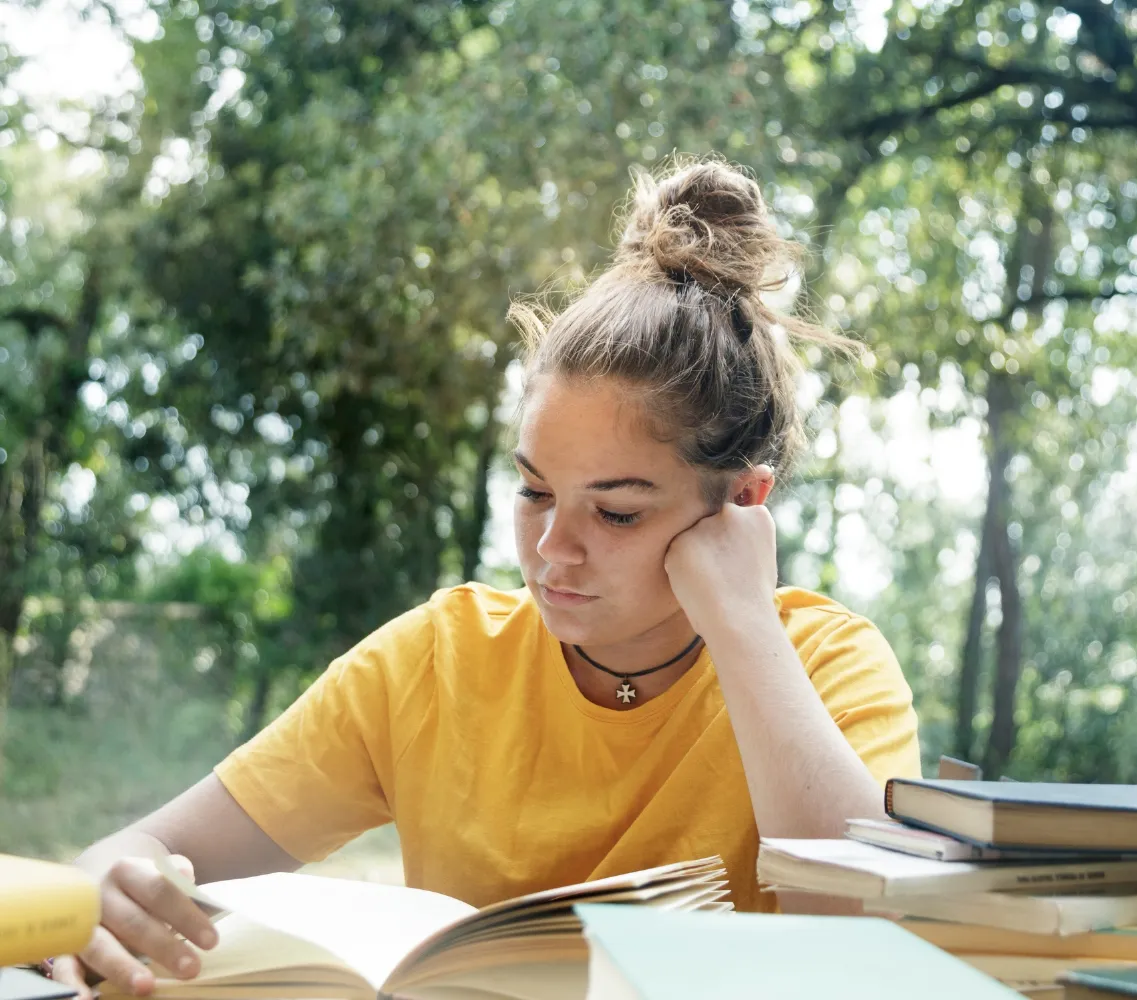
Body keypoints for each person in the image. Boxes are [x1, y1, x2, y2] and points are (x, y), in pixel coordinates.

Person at [51, 158, 921, 1000]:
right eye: (535, 492)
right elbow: (147, 847)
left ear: (742, 503)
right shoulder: (437, 661)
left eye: (616, 512)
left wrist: (743, 626)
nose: (552, 549)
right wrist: (105, 881)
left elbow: (873, 943)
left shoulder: (828, 667)